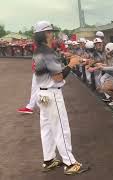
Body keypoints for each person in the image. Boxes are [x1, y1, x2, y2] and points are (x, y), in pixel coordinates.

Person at [33, 20, 89, 175]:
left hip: (42, 93)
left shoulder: (39, 50)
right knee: (61, 129)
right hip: (51, 93)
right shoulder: (47, 51)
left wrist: (66, 60)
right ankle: (70, 163)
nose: (52, 34)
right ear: (44, 34)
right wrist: (71, 64)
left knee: (47, 129)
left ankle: (48, 160)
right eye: (50, 32)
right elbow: (58, 77)